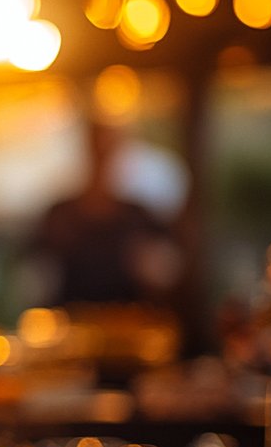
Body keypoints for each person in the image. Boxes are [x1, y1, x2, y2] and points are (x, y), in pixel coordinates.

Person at [27, 118, 181, 309]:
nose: (104, 157)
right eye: (98, 148)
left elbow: (168, 273)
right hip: (70, 325)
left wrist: (156, 272)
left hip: (128, 324)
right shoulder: (58, 215)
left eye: (110, 149)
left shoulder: (139, 216)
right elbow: (33, 276)